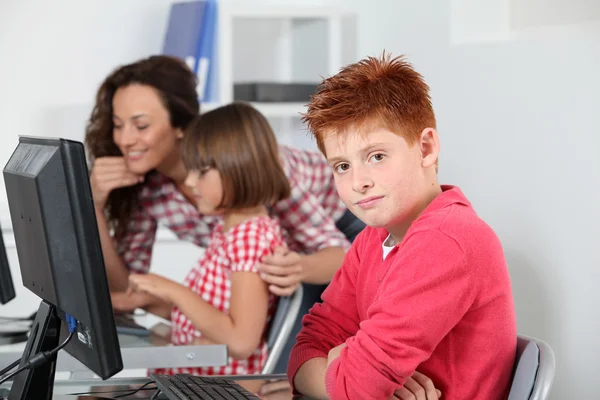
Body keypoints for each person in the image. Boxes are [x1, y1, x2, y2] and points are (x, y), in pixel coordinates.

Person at [287, 53, 517, 400]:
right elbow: (306, 348)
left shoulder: (445, 239)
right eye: (342, 165)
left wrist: (341, 360)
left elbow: (355, 387)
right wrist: (341, 366)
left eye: (376, 156)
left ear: (426, 148)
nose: (358, 182)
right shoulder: (374, 238)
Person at [121, 103, 289, 390]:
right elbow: (212, 313)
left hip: (219, 390)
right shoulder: (231, 230)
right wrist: (148, 301)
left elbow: (240, 341)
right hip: (197, 383)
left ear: (238, 168)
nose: (189, 181)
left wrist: (175, 291)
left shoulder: (250, 238)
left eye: (200, 172)